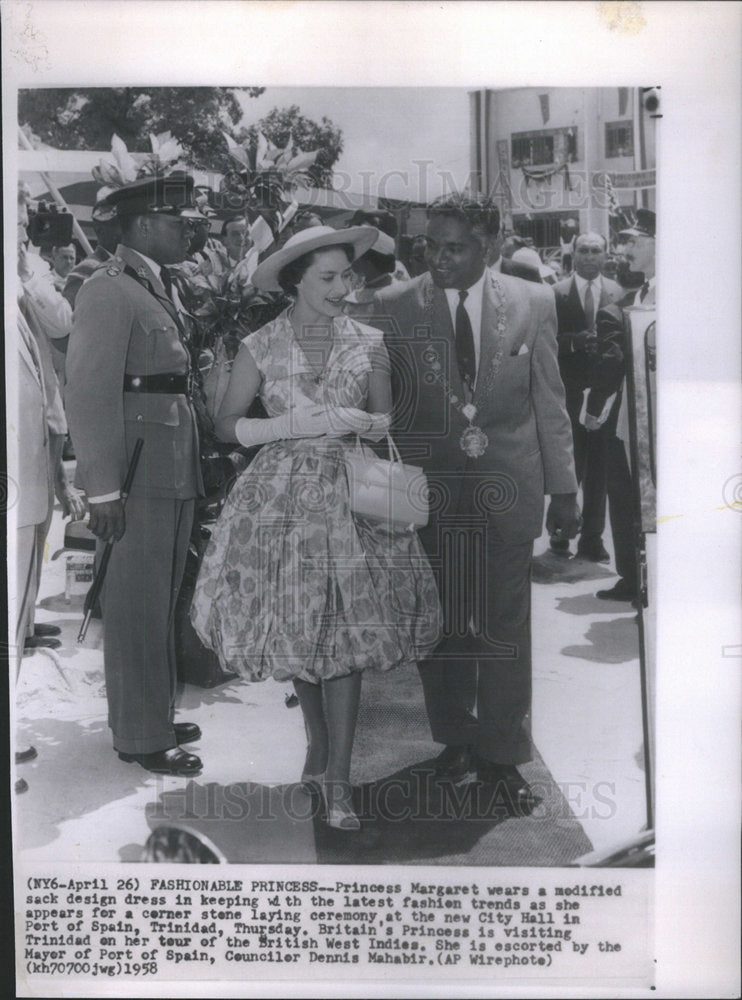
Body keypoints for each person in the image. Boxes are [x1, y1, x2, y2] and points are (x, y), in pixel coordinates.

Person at [190, 225, 441, 830]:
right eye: (327, 278)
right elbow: (224, 425)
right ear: (294, 281)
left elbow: (383, 423)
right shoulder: (261, 344)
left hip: (352, 493)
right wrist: (283, 426)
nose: (341, 288)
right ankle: (316, 746)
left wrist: (357, 419)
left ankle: (338, 780)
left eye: (347, 277)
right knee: (303, 630)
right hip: (279, 499)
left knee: (348, 634)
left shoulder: (370, 340)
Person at [372, 194, 579, 814]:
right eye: (430, 246)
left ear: (489, 246)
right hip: (429, 494)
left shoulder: (534, 302)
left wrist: (564, 489)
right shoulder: (394, 307)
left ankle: (502, 754)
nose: (438, 258)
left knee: (506, 629)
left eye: (454, 247)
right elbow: (386, 409)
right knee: (443, 625)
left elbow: (550, 400)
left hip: (510, 489)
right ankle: (455, 741)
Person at [65, 172, 207, 777]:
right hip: (137, 473)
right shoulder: (108, 290)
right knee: (135, 605)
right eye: (179, 222)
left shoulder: (152, 285)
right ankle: (140, 735)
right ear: (145, 225)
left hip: (168, 467)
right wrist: (102, 488)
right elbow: (89, 393)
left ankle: (150, 710)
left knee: (161, 597)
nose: (189, 231)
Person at [590, 209, 656, 602]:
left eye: (633, 241)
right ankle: (635, 577)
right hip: (632, 415)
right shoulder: (644, 292)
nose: (624, 250)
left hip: (657, 416)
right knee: (629, 495)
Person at [552, 232, 623, 561]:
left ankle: (592, 539)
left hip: (604, 397)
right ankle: (560, 532)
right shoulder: (555, 294)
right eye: (584, 250)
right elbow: (546, 340)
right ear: (573, 254)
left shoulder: (618, 293)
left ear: (606, 255)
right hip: (568, 393)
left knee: (600, 469)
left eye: (596, 251)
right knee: (568, 466)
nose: (590, 256)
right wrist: (573, 342)